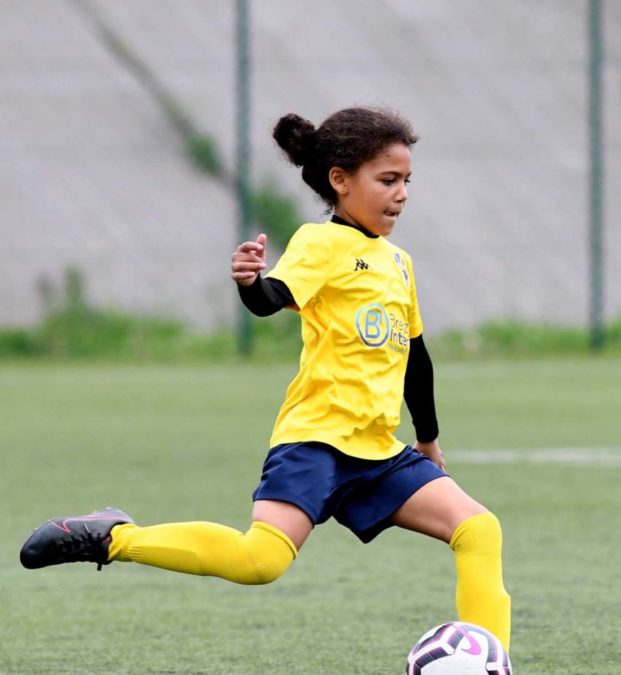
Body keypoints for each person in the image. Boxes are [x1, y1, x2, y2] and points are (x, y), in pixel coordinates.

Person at [20, 106, 512, 651]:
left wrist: (427, 437)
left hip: (378, 451)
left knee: (478, 529)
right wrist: (250, 280)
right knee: (261, 561)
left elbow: (416, 356)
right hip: (316, 441)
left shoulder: (398, 262)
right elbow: (271, 298)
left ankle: (487, 661)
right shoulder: (321, 244)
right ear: (341, 181)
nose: (401, 194)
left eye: (407, 182)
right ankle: (113, 537)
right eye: (388, 180)